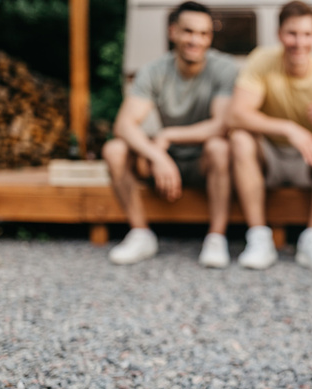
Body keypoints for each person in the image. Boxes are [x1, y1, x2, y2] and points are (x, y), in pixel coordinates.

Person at [102, 1, 238, 267]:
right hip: (166, 158)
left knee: (220, 147)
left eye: (203, 34)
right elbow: (124, 124)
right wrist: (158, 155)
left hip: (203, 158)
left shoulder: (225, 69)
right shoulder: (154, 70)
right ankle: (140, 233)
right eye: (188, 31)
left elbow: (220, 125)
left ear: (210, 37)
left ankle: (216, 237)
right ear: (173, 32)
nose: (195, 40)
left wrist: (168, 135)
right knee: (114, 150)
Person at [227, 1, 312, 270]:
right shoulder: (261, 60)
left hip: (310, 161)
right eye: (292, 34)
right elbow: (235, 114)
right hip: (269, 154)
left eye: (306, 34)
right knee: (239, 138)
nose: (299, 42)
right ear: (279, 34)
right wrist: (289, 128)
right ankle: (259, 237)